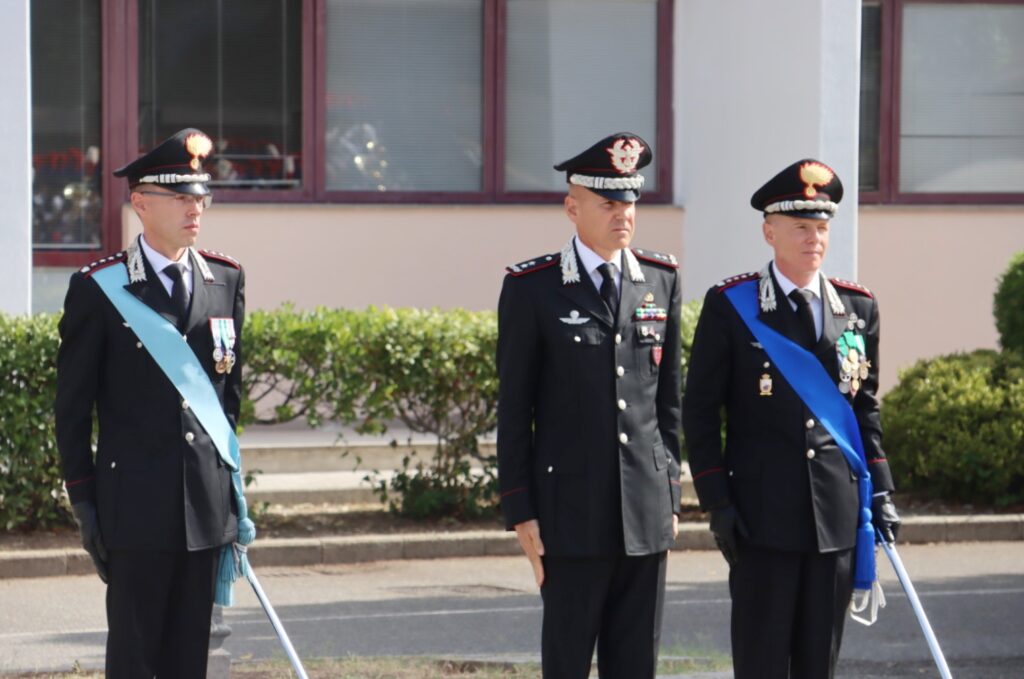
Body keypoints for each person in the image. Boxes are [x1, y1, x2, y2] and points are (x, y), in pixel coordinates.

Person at [682, 159, 902, 678]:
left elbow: (863, 408)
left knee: (816, 664)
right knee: (760, 663)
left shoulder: (857, 307)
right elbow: (699, 411)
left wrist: (882, 494)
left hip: (836, 519)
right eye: (800, 227)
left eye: (821, 227)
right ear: (769, 231)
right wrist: (717, 503)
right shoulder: (732, 305)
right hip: (761, 518)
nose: (813, 239)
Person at [55, 128, 249, 678]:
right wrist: (85, 503)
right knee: (137, 661)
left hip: (206, 511)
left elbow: (226, 401)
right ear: (141, 202)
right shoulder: (100, 288)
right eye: (181, 196)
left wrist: (231, 494)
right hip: (134, 508)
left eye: (201, 197)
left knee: (192, 660)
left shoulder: (225, 281)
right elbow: (72, 410)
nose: (196, 208)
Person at [496, 132, 683, 679]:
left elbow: (667, 399)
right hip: (568, 513)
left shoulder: (660, 279)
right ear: (572, 207)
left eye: (630, 202)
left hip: (644, 511)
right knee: (568, 659)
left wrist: (670, 489)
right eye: (608, 202)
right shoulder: (534, 287)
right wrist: (521, 509)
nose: (623, 214)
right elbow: (515, 407)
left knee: (636, 664)